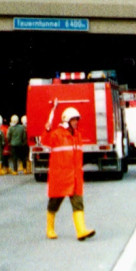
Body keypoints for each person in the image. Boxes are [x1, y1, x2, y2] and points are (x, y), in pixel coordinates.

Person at [44, 100, 95, 241]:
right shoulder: (56, 134)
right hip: (60, 176)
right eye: (73, 120)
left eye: (76, 120)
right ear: (66, 121)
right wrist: (47, 130)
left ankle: (81, 231)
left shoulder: (77, 135)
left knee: (78, 202)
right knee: (54, 203)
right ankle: (50, 229)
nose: (76, 122)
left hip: (75, 176)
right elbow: (45, 141)